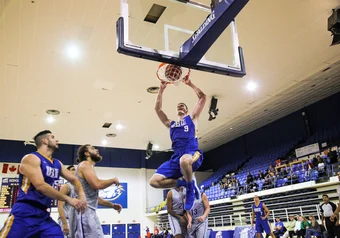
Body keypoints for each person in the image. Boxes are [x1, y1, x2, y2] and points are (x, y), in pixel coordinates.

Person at [0, 130, 87, 238]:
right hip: (25, 212)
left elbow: (75, 180)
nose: (57, 140)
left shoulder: (57, 163)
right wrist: (69, 199)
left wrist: (82, 196)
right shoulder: (31, 158)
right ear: (45, 140)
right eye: (53, 137)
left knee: (57, 235)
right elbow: (40, 186)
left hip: (43, 214)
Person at [150, 75, 206, 210]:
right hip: (177, 157)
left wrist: (190, 83)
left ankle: (191, 190)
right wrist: (161, 89)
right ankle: (184, 183)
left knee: (184, 160)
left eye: (183, 105)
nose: (180, 106)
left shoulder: (192, 118)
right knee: (154, 182)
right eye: (178, 106)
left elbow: (202, 97)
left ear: (186, 110)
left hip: (192, 153)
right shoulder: (171, 124)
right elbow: (157, 109)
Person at [72, 144, 122, 238]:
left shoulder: (88, 167)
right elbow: (97, 184)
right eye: (93, 149)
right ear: (87, 153)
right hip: (84, 212)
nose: (97, 150)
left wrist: (113, 206)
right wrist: (113, 180)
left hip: (90, 211)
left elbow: (97, 199)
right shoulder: (85, 164)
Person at [57, 165, 76, 238]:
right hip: (66, 220)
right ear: (67, 172)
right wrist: (65, 223)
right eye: (73, 169)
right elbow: (60, 205)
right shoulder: (66, 186)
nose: (75, 171)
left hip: (74, 220)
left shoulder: (78, 187)